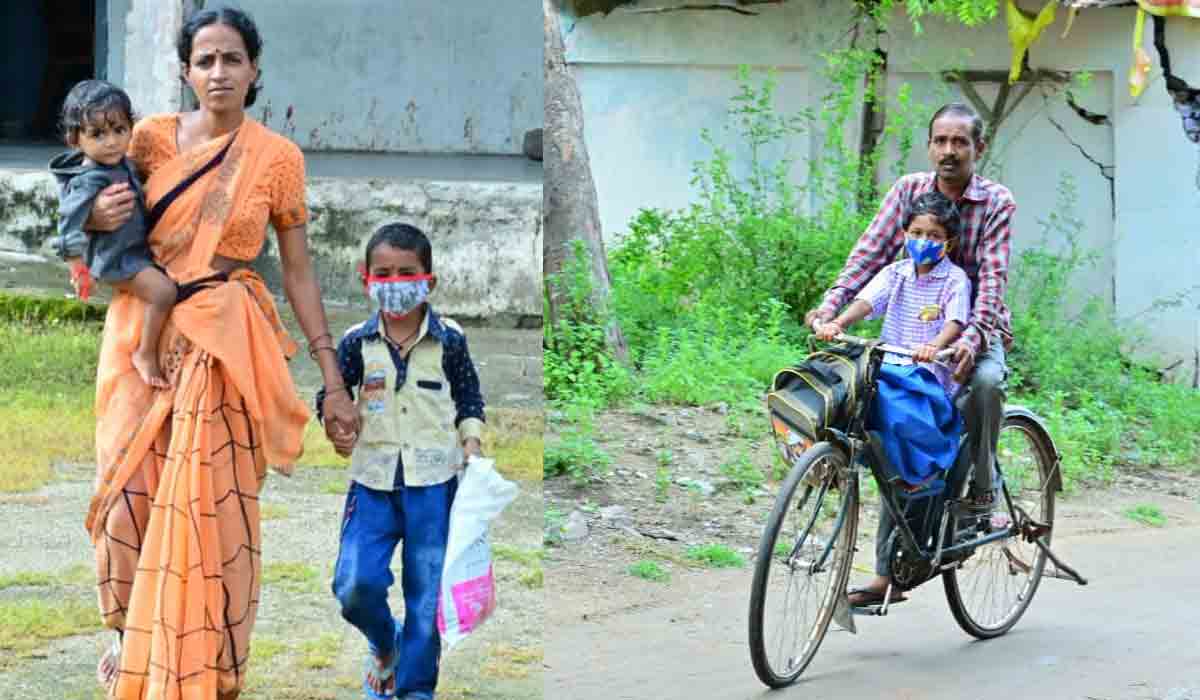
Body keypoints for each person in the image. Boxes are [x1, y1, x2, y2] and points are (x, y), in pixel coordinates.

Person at [80, 7, 359, 699]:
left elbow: (297, 272)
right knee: (127, 497)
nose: (218, 72)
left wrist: (332, 379)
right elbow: (89, 201)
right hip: (140, 333)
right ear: (184, 71)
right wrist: (90, 219)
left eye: (232, 59)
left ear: (255, 69)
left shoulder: (278, 158)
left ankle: (212, 670)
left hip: (224, 345)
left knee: (215, 511)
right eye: (204, 60)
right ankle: (125, 633)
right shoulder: (146, 139)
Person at [806, 102, 1016, 607]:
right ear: (929, 146)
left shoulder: (995, 202)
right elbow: (869, 258)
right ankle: (889, 571)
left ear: (977, 149)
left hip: (973, 331)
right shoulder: (908, 192)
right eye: (940, 141)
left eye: (959, 142)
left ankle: (982, 496)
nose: (948, 151)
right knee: (888, 430)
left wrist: (968, 341)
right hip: (906, 340)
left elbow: (990, 283)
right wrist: (830, 310)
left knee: (983, 385)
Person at [316, 223, 486, 700]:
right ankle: (384, 642)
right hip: (372, 483)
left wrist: (471, 442)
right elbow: (331, 399)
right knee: (354, 585)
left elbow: (470, 398)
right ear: (365, 278)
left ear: (428, 280)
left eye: (406, 272)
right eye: (383, 273)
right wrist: (335, 425)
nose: (395, 283)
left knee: (426, 596)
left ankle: (414, 689)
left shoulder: (450, 340)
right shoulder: (356, 342)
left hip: (434, 485)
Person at [814, 191, 971, 605]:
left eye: (933, 235)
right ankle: (826, 463)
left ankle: (900, 549)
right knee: (839, 392)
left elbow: (956, 321)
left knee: (906, 462)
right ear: (904, 234)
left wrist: (933, 344)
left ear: (948, 242)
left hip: (927, 379)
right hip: (888, 372)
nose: (924, 240)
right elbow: (868, 302)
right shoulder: (897, 273)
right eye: (917, 232)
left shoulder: (954, 280)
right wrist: (836, 322)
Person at [50, 80, 176, 389]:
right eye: (97, 134)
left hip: (133, 251)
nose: (111, 142)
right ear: (74, 138)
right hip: (116, 260)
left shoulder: (122, 164)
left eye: (119, 130)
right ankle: (144, 354)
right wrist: (78, 269)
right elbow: (68, 224)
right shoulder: (89, 180)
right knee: (164, 292)